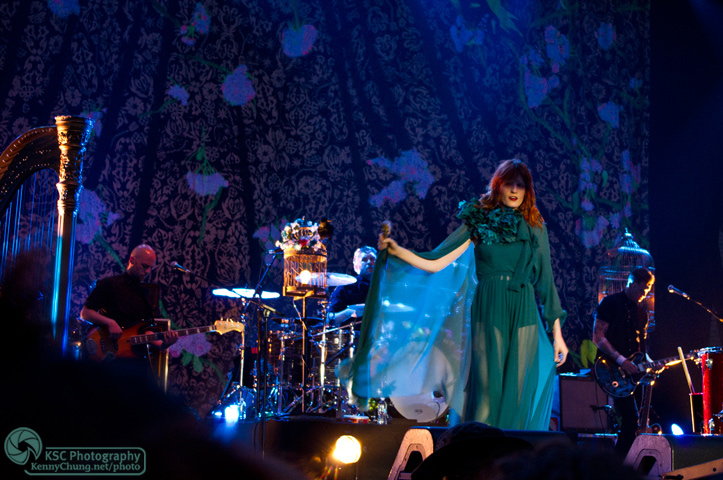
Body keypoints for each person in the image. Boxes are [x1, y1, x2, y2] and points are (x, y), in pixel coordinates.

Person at [339, 159, 568, 431]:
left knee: (518, 389)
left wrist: (558, 334)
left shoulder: (534, 225)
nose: (515, 190)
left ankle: (515, 459)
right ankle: (481, 457)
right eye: (509, 183)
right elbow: (437, 262)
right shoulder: (479, 220)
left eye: (521, 184)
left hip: (524, 309)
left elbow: (546, 280)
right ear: (499, 186)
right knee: (486, 390)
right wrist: (399, 252)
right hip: (489, 307)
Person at [592, 267, 655, 457]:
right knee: (630, 420)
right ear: (631, 283)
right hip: (610, 370)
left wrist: (650, 363)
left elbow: (639, 351)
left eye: (648, 289)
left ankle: (622, 465)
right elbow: (597, 336)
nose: (645, 294)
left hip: (631, 376)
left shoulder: (641, 314)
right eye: (642, 288)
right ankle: (616, 468)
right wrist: (621, 361)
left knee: (632, 424)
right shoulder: (610, 303)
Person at [81, 244, 178, 359]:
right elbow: (85, 313)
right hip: (110, 359)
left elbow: (145, 333)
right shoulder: (109, 284)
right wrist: (109, 322)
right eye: (144, 266)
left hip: (133, 361)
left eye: (150, 268)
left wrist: (165, 343)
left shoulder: (145, 294)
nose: (147, 271)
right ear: (132, 260)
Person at [327, 246, 377, 325]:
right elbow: (328, 320)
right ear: (356, 265)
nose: (369, 262)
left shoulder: (385, 288)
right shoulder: (345, 287)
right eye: (364, 259)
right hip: (352, 335)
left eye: (372, 259)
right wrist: (348, 312)